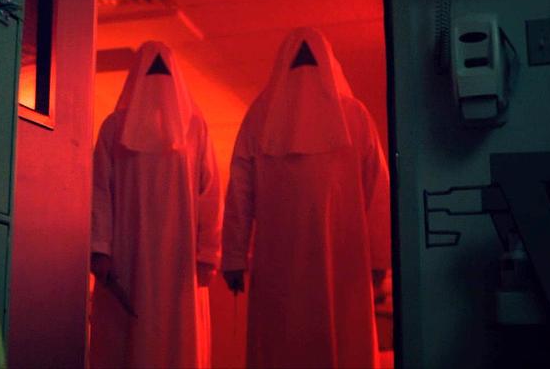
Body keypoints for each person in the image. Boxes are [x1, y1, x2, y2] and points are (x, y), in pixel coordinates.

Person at [221, 27, 391, 368]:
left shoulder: (260, 116)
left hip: (282, 264)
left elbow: (240, 193)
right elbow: (380, 192)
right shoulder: (354, 115)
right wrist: (379, 261)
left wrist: (235, 258)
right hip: (341, 262)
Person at [89, 41, 221, 368]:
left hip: (181, 263)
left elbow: (210, 194)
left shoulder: (195, 129)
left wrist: (207, 253)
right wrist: (100, 250)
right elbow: (100, 191)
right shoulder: (113, 128)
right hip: (127, 257)